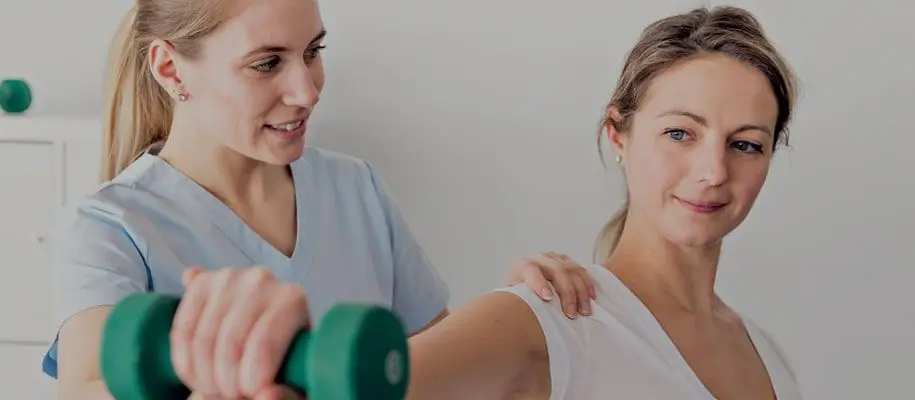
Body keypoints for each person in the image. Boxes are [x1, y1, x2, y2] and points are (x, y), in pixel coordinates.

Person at [166, 5, 803, 400]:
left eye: (746, 144)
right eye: (680, 134)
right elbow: (355, 387)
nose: (712, 171)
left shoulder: (767, 354)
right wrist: (256, 360)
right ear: (618, 134)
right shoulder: (546, 322)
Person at [44, 0, 595, 399]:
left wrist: (517, 308)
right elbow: (87, 387)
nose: (306, 91)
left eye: (313, 52)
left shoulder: (355, 188)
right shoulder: (110, 227)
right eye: (267, 63)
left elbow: (432, 373)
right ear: (170, 68)